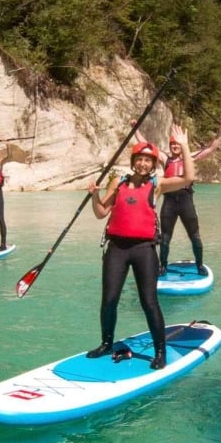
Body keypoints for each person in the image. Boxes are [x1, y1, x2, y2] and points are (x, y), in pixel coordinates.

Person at [86, 125, 195, 370]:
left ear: (153, 164)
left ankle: (160, 351)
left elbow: (188, 178)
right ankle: (106, 343)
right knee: (109, 300)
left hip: (145, 249)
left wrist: (185, 146)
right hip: (117, 248)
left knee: (149, 301)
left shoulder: (158, 184)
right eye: (140, 159)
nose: (143, 164)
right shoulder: (119, 182)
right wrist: (95, 194)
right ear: (134, 161)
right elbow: (101, 212)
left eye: (148, 160)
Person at [135, 122, 221, 275]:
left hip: (186, 201)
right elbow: (146, 144)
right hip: (169, 201)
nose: (175, 146)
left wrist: (220, 133)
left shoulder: (188, 157)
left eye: (177, 144)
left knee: (195, 235)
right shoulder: (165, 159)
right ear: (170, 146)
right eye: (172, 144)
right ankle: (162, 266)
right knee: (165, 237)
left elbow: (210, 148)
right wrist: (135, 129)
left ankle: (199, 265)